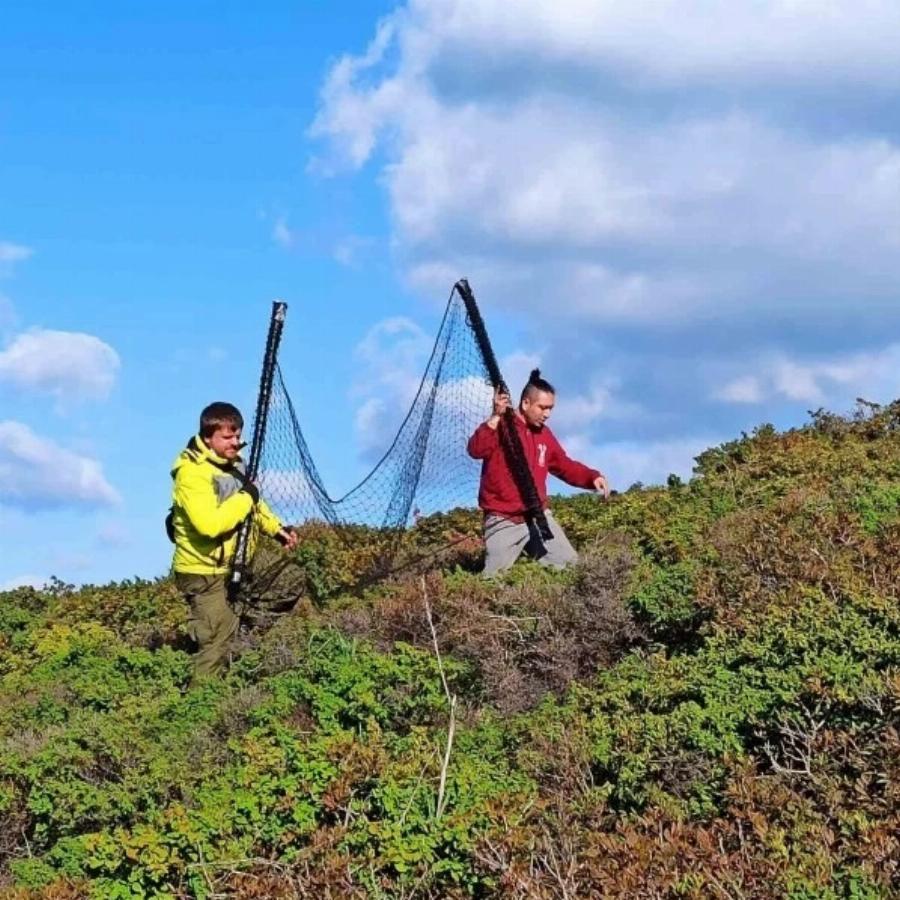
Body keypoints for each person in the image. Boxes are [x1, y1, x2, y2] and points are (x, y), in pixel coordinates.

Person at [169, 401, 298, 684]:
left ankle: (233, 637)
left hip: (234, 565)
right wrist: (246, 497)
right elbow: (210, 525)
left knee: (291, 579)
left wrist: (277, 530)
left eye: (237, 436)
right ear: (207, 438)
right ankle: (197, 709)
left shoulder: (234, 466)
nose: (236, 443)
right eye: (227, 437)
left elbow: (254, 505)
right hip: (202, 571)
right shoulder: (192, 474)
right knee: (216, 639)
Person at [467, 369, 609, 576]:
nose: (547, 414)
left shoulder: (544, 435)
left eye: (550, 408)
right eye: (542, 407)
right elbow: (475, 449)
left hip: (538, 517)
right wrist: (495, 416)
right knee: (492, 582)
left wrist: (592, 477)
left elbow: (564, 465)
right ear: (525, 404)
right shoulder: (501, 426)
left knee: (572, 572)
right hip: (503, 520)